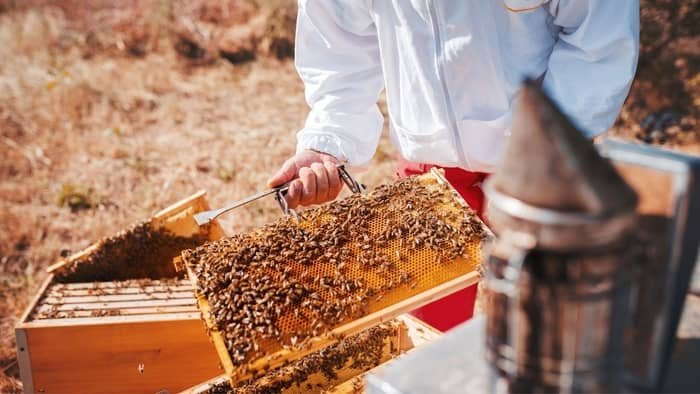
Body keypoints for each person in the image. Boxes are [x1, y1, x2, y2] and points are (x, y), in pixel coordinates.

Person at [267, 0, 639, 331]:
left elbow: (598, 40)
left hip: (542, 161)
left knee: (541, 336)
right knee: (423, 337)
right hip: (428, 173)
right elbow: (339, 49)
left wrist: (537, 159)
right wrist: (328, 141)